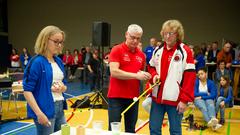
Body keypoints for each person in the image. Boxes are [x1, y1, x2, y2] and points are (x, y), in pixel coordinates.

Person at [148, 19, 196, 135]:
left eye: (171, 33)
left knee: (175, 131)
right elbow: (151, 67)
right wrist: (154, 76)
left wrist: (184, 100)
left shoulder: (185, 51)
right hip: (157, 98)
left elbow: (190, 77)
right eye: (165, 33)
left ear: (178, 35)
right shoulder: (157, 50)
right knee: (154, 129)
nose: (167, 36)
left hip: (176, 100)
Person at [23, 25, 68, 135]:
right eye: (56, 41)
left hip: (59, 107)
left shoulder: (58, 61)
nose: (59, 45)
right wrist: (39, 114)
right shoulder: (37, 62)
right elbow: (27, 91)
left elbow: (65, 84)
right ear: (45, 40)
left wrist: (63, 88)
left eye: (61, 42)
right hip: (44, 109)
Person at [107, 24, 151, 133]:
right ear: (126, 35)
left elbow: (140, 73)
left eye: (138, 38)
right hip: (116, 97)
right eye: (132, 37)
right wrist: (135, 75)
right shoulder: (116, 50)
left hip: (133, 98)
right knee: (113, 130)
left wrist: (147, 76)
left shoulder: (141, 55)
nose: (135, 41)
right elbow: (114, 72)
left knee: (130, 130)